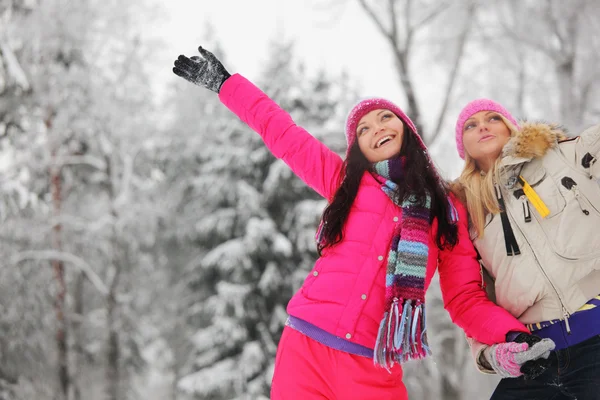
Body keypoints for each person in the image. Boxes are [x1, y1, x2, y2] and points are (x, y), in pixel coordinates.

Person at [172, 47, 551, 400]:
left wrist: (511, 335)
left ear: (406, 131)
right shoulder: (344, 184)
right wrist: (227, 85)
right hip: (305, 348)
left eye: (385, 117)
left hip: (373, 364)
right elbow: (282, 133)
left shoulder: (446, 208)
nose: (376, 128)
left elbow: (464, 297)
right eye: (363, 128)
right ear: (358, 148)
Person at [452, 98, 600, 399]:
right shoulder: (465, 211)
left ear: (510, 127)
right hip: (537, 357)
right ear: (463, 145)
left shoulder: (562, 156)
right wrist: (490, 353)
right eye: (471, 124)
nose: (482, 125)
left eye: (492, 118)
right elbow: (469, 296)